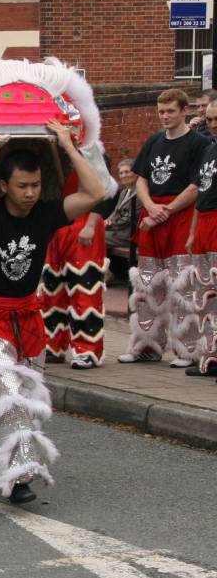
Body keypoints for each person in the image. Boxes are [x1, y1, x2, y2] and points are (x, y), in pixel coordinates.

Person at [0, 124, 105, 503]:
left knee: (27, 402)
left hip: (28, 320)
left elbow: (96, 193)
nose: (31, 193)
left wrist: (68, 145)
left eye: (35, 185)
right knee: (8, 394)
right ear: (4, 186)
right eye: (22, 186)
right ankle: (21, 475)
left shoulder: (47, 214)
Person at [119, 88, 213, 367]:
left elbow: (197, 186)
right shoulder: (153, 141)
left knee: (183, 286)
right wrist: (150, 206)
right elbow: (140, 179)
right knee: (146, 284)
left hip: (181, 215)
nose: (165, 116)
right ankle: (146, 345)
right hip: (153, 214)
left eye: (171, 111)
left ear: (185, 111)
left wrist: (167, 211)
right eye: (161, 111)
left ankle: (187, 350)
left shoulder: (199, 144)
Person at [39, 153, 117, 369]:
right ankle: (53, 345)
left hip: (84, 225)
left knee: (85, 288)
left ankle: (88, 349)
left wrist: (91, 224)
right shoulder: (53, 152)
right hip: (57, 225)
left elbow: (106, 191)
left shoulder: (93, 152)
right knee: (52, 291)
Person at [185, 126, 217, 375]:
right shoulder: (209, 150)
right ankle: (210, 357)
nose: (213, 123)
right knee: (205, 296)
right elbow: (200, 194)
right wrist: (193, 232)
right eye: (210, 119)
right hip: (204, 223)